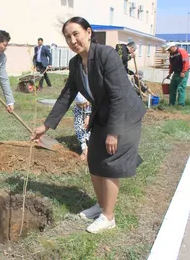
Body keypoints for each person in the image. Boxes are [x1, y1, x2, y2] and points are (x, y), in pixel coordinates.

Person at [31, 17, 146, 233]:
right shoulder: (75, 63)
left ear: (89, 33)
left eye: (76, 34)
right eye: (68, 37)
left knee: (111, 161)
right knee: (94, 160)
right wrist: (46, 126)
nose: (73, 40)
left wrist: (114, 132)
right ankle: (101, 206)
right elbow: (66, 95)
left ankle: (108, 217)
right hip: (103, 113)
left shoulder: (106, 55)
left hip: (125, 115)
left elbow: (118, 95)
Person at [164, 42, 189, 106]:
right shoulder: (171, 55)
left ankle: (181, 104)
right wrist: (170, 73)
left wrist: (183, 72)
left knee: (180, 88)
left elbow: (186, 63)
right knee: (172, 87)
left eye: (169, 49)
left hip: (183, 72)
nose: (168, 51)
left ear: (173, 47)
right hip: (176, 72)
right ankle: (171, 104)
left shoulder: (182, 52)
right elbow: (171, 65)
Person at [73, 92, 91, 161]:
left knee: (89, 129)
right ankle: (85, 149)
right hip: (79, 107)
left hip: (91, 107)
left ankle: (90, 148)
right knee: (79, 128)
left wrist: (88, 115)